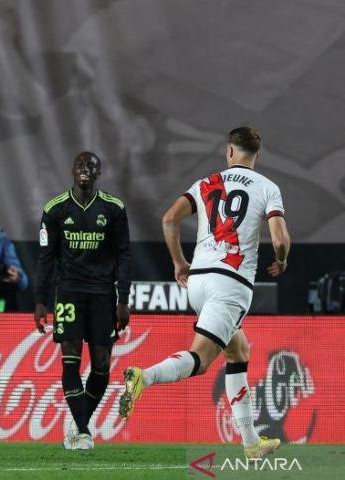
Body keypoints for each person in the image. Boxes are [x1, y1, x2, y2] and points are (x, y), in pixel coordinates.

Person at [119, 126, 291, 459]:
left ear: (229, 152)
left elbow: (169, 219)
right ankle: (144, 377)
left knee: (238, 352)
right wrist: (281, 260)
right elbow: (281, 240)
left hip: (198, 281)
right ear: (256, 155)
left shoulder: (206, 184)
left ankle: (251, 443)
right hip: (231, 284)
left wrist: (179, 263)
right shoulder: (268, 188)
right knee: (200, 361)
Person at [33, 152, 131, 450]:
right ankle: (84, 431)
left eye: (91, 166)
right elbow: (46, 258)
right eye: (80, 165)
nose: (85, 170)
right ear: (72, 170)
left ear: (99, 172)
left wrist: (123, 299)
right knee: (71, 360)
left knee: (101, 366)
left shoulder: (113, 208)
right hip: (69, 293)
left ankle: (76, 424)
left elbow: (124, 254)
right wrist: (41, 301)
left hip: (103, 293)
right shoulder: (55, 209)